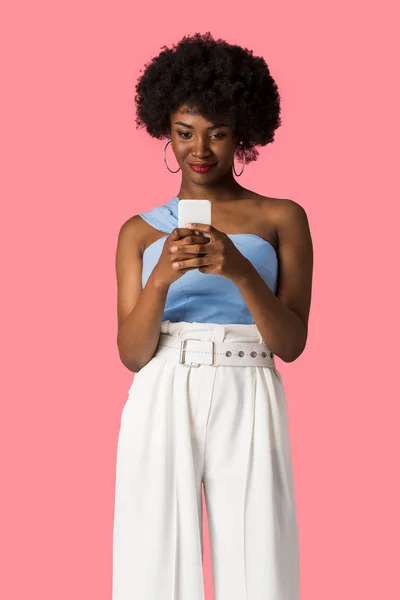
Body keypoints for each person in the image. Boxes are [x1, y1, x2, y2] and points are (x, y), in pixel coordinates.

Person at [112, 32, 313, 600]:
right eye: (184, 132)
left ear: (242, 132)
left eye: (218, 133)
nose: (200, 148)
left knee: (261, 565)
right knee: (151, 560)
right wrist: (162, 277)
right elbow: (131, 353)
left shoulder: (282, 218)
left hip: (248, 381)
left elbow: (291, 342)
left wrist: (239, 270)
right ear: (165, 132)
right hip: (162, 387)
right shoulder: (139, 231)